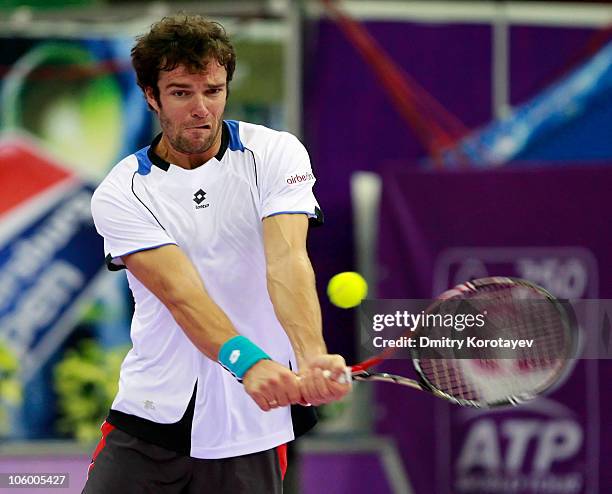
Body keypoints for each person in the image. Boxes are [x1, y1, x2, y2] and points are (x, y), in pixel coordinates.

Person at [83, 13, 350, 494]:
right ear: (151, 96)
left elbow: (287, 259)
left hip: (252, 430)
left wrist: (311, 357)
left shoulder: (275, 154)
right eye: (182, 92)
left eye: (213, 90)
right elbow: (184, 295)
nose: (201, 108)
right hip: (149, 419)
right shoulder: (122, 192)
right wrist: (250, 362)